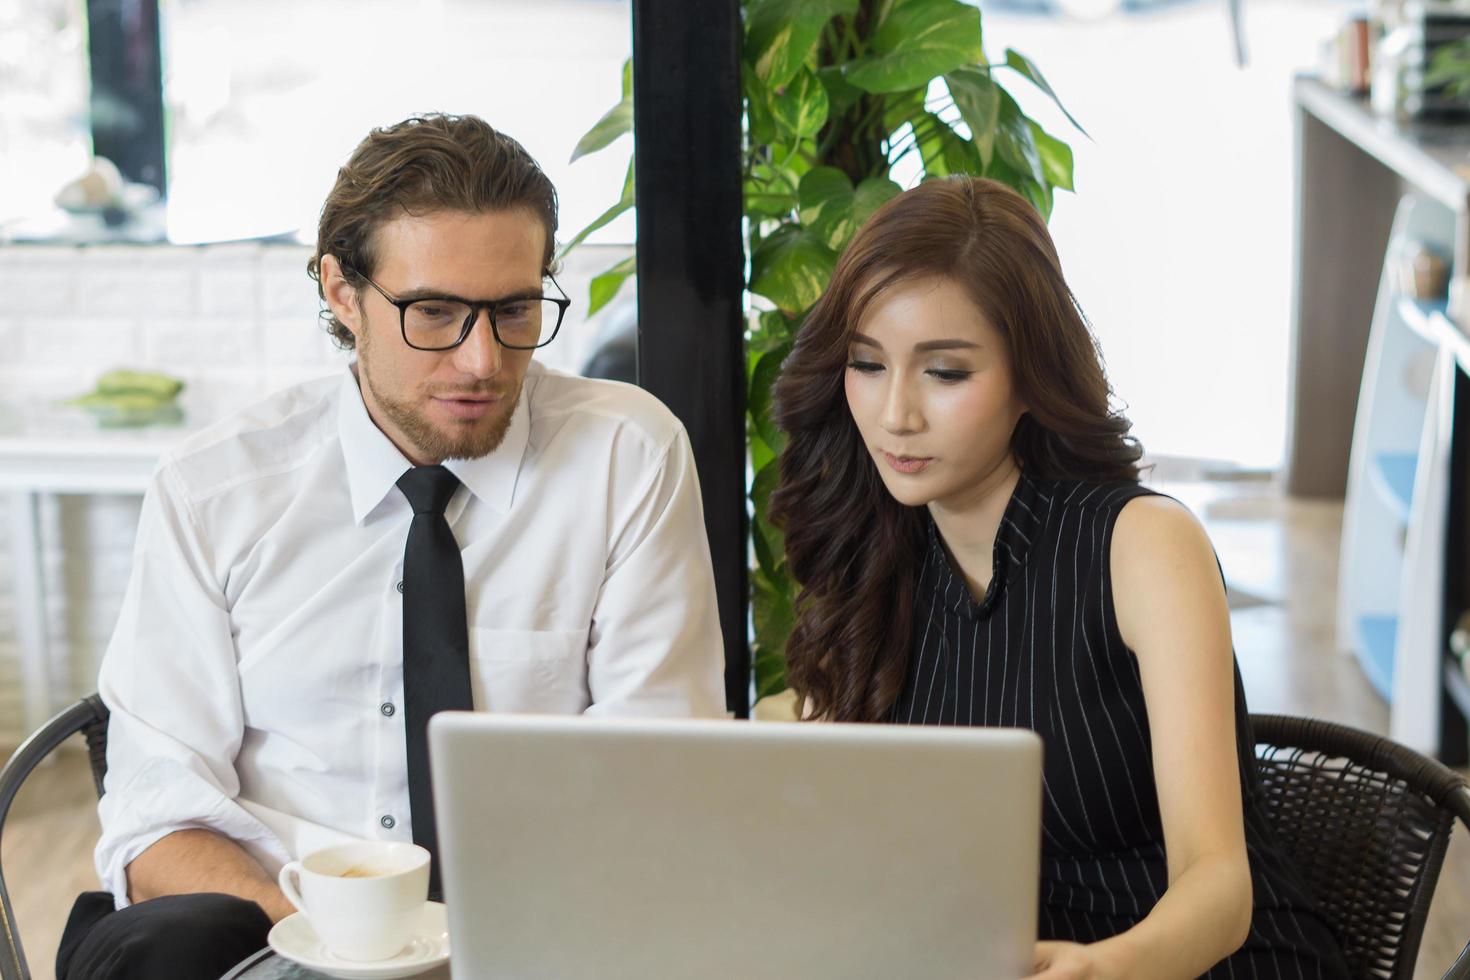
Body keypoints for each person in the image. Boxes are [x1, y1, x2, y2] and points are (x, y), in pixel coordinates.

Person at [56, 114, 727, 980]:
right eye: (435, 313)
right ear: (342, 292)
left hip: (540, 937)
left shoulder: (626, 456)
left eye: (515, 310)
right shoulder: (214, 491)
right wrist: (346, 949)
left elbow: (659, 773)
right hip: (277, 933)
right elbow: (157, 820)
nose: (482, 361)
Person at [769, 176, 1349, 979]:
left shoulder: (1144, 546)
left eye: (945, 373)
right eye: (867, 364)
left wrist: (1107, 969)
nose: (895, 413)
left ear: (1028, 378)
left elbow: (1220, 887)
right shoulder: (869, 556)